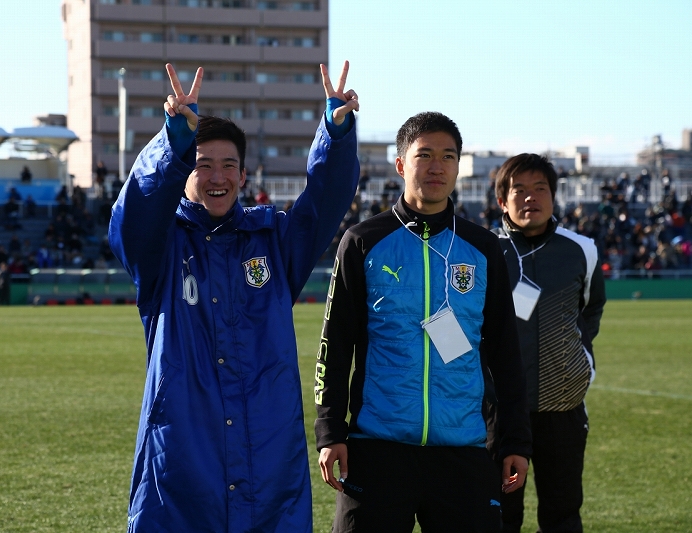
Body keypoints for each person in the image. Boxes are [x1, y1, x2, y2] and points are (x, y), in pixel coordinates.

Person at [108, 61, 360, 532]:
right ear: (185, 172)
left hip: (266, 442)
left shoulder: (275, 238)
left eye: (229, 165)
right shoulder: (162, 246)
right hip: (183, 446)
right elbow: (135, 215)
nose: (216, 176)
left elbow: (323, 202)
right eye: (202, 165)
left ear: (244, 176)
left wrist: (335, 132)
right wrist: (172, 144)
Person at [315, 111, 532, 533]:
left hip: (464, 450)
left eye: (448, 157)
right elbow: (334, 346)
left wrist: (515, 440)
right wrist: (330, 431)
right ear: (401, 164)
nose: (437, 167)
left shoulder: (483, 248)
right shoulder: (363, 241)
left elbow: (506, 352)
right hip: (377, 449)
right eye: (425, 155)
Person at [492, 154, 606, 533]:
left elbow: (590, 311)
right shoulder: (483, 253)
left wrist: (578, 362)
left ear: (553, 197)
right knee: (499, 515)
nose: (530, 198)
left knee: (562, 514)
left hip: (563, 408)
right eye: (519, 190)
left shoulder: (582, 250)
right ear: (502, 202)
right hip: (501, 411)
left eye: (540, 188)